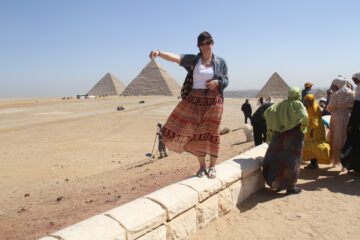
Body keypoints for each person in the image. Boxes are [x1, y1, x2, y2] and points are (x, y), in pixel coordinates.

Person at [149, 31, 228, 179]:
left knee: (213, 133)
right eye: (202, 44)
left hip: (214, 101)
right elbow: (176, 58)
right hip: (195, 101)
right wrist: (159, 53)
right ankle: (202, 167)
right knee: (196, 133)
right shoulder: (193, 60)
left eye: (208, 42)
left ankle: (212, 166)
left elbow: (226, 80)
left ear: (212, 43)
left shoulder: (220, 62)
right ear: (198, 46)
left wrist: (218, 82)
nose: (206, 46)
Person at [263, 87, 308, 195]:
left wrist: (277, 125)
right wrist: (302, 127)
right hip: (294, 138)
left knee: (278, 159)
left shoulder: (281, 104)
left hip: (280, 136)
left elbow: (268, 112)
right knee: (292, 162)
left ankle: (277, 183)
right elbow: (305, 117)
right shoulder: (298, 105)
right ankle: (291, 187)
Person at [327, 77, 354, 167]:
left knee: (336, 138)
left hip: (337, 117)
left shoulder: (336, 94)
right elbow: (352, 105)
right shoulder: (351, 93)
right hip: (347, 116)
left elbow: (330, 108)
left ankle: (336, 160)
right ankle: (345, 162)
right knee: (346, 137)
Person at [302, 94, 331, 169]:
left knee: (313, 145)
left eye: (309, 101)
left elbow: (315, 121)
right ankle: (314, 162)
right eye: (306, 101)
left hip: (315, 129)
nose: (308, 102)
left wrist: (312, 131)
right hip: (314, 127)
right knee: (313, 145)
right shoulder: (311, 107)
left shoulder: (314, 108)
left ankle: (313, 163)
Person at [341, 72, 360, 175]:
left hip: (357, 124)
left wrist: (351, 124)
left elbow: (357, 110)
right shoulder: (357, 90)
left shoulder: (359, 92)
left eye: (355, 79)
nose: (354, 81)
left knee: (356, 145)